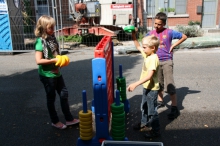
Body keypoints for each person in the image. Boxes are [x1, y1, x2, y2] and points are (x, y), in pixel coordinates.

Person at [34, 15, 79, 129]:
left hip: (56, 72)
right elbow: (38, 61)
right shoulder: (40, 42)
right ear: (43, 28)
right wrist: (55, 60)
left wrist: (61, 61)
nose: (53, 30)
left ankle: (69, 119)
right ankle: (55, 121)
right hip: (47, 75)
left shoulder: (52, 38)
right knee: (51, 97)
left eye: (53, 27)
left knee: (64, 94)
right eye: (50, 28)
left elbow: (55, 54)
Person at [146, 12, 187, 119]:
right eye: (155, 23)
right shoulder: (151, 33)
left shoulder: (169, 32)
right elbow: (144, 42)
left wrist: (173, 45)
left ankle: (174, 108)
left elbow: (184, 36)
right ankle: (161, 101)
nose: (156, 26)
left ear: (164, 23)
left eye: (159, 24)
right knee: (159, 83)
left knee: (169, 85)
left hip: (167, 61)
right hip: (156, 62)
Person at [127, 32, 160, 138]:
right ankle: (144, 123)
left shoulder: (153, 59)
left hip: (152, 89)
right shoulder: (147, 54)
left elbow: (149, 76)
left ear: (153, 48)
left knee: (152, 111)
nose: (143, 48)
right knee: (144, 107)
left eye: (145, 47)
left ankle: (156, 131)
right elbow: (137, 46)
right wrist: (133, 35)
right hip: (146, 87)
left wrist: (135, 84)